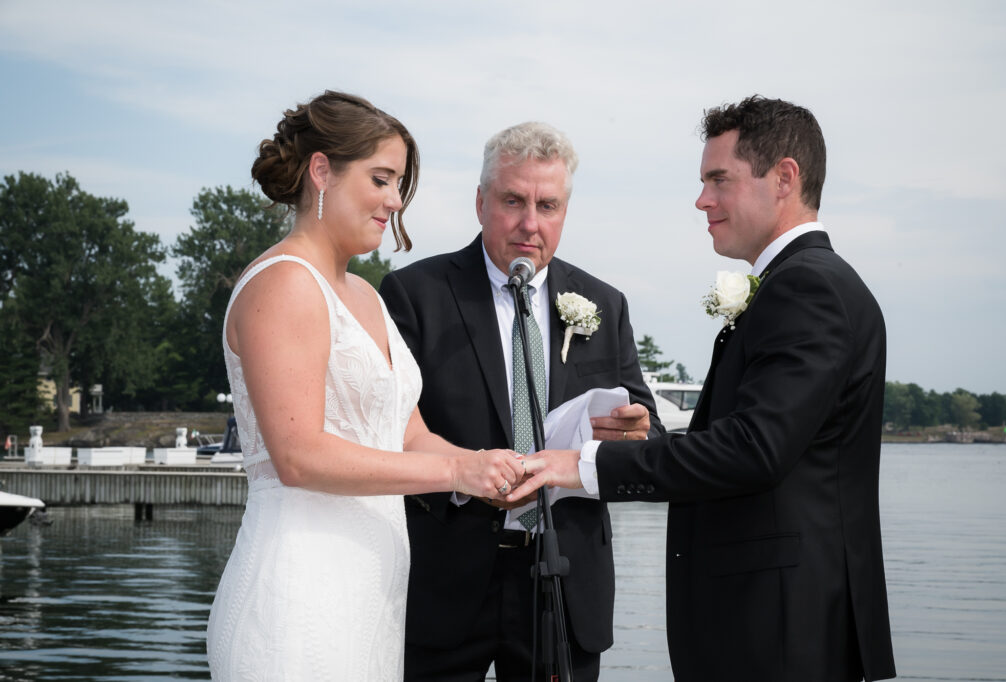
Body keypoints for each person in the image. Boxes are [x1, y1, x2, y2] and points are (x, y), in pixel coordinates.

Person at [510, 96, 897, 681]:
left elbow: (753, 450)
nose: (702, 200)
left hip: (781, 630)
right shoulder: (803, 284)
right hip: (779, 621)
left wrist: (584, 465)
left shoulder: (807, 291)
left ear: (785, 177)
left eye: (719, 179)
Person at [205, 90, 534, 680]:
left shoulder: (366, 296)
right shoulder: (283, 283)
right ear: (322, 169)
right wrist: (457, 474)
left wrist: (490, 465)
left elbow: (409, 436)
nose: (394, 201)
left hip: (371, 600)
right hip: (298, 595)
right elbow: (298, 455)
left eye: (399, 183)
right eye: (381, 179)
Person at [379, 121, 663, 681]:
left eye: (548, 205)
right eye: (513, 200)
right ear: (481, 202)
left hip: (563, 583)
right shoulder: (415, 295)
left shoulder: (606, 304)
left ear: (565, 211)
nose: (530, 223)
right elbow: (386, 432)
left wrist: (634, 432)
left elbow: (645, 436)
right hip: (444, 580)